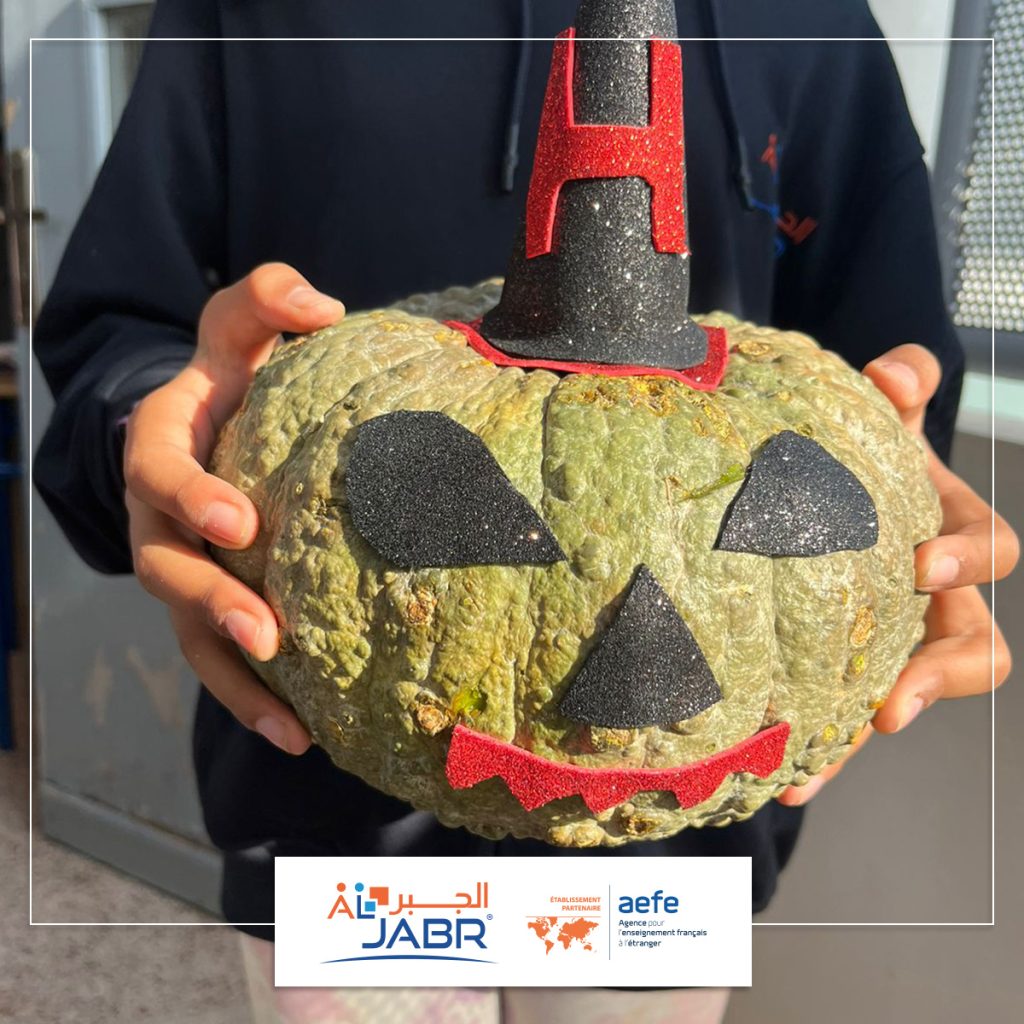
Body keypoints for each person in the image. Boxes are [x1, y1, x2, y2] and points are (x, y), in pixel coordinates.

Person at [32, 1, 1017, 1021]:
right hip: (335, 833)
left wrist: (904, 521)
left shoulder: (813, 20)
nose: (632, 683)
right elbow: (118, 326)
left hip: (670, 868)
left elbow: (892, 376)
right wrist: (153, 434)